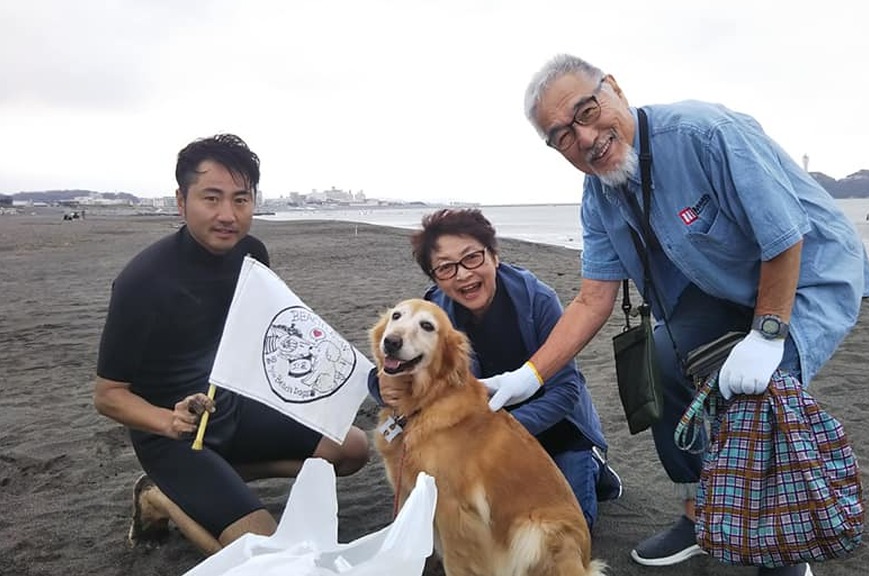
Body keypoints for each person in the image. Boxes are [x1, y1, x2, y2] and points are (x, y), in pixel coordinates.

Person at [482, 54, 869, 574]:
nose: (584, 137)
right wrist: (527, 376)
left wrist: (767, 334)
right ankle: (699, 515)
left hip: (805, 277)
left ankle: (786, 553)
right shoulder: (598, 195)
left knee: (758, 396)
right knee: (663, 361)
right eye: (560, 136)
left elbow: (783, 237)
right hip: (722, 289)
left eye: (586, 111)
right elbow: (593, 298)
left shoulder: (705, 134)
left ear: (615, 88)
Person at [93, 134, 370, 556]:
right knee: (269, 558)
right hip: (173, 435)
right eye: (212, 198)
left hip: (232, 408)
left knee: (352, 449)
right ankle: (163, 496)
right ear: (181, 200)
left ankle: (216, 480)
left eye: (241, 199)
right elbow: (108, 396)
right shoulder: (143, 282)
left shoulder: (252, 254)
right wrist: (168, 421)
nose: (228, 215)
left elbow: (265, 331)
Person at [368, 208, 623, 530]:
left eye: (472, 258)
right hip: (479, 442)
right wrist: (379, 383)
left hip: (554, 428)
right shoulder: (434, 315)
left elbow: (567, 389)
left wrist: (502, 431)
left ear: (494, 257)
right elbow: (400, 359)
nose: (462, 275)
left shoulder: (538, 300)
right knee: (487, 524)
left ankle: (592, 467)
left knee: (568, 526)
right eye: (446, 268)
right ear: (435, 278)